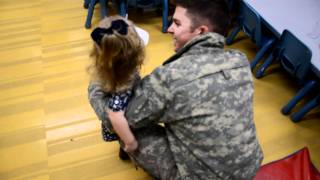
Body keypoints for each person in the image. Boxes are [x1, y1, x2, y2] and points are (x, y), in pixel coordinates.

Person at [88, 0, 264, 179]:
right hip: (250, 167)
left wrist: (97, 82)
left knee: (128, 125)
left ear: (201, 31)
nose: (169, 28)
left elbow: (116, 118)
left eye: (177, 23)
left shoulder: (170, 78)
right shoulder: (240, 61)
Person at [88, 15, 146, 153]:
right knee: (125, 136)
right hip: (125, 122)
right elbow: (115, 115)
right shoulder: (124, 84)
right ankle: (124, 149)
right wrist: (130, 142)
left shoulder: (107, 66)